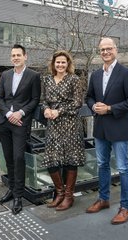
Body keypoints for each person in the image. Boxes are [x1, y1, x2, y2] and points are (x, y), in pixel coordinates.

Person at [85, 37, 128, 224]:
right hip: (101, 129)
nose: (105, 52)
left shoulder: (126, 73)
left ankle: (126, 208)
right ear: (99, 52)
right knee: (102, 165)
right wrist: (94, 106)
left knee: (124, 168)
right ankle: (103, 199)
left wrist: (109, 108)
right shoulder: (95, 75)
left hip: (119, 128)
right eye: (102, 49)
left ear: (116, 50)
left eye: (109, 48)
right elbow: (89, 97)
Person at [0, 44, 41, 215]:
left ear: (25, 56)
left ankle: (18, 197)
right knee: (8, 158)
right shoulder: (6, 75)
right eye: (13, 55)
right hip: (5, 121)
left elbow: (35, 99)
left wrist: (20, 113)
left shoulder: (33, 76)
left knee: (19, 157)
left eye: (18, 55)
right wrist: (8, 114)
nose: (15, 58)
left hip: (21, 123)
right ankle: (12, 189)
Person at [40, 50, 86, 211]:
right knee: (51, 159)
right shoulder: (46, 79)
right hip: (53, 124)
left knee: (70, 159)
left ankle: (69, 196)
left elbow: (78, 102)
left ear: (68, 64)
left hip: (70, 124)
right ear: (53, 64)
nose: (60, 65)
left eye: (63, 62)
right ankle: (59, 193)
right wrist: (46, 109)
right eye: (57, 62)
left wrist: (59, 111)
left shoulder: (74, 79)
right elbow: (43, 100)